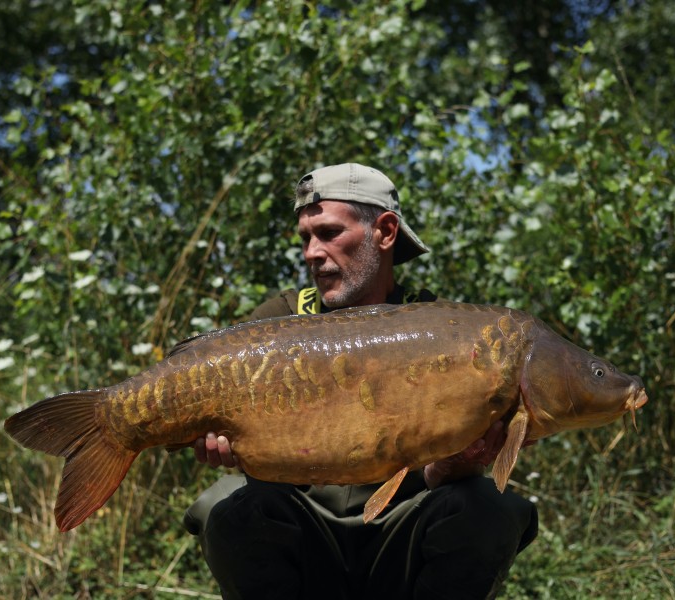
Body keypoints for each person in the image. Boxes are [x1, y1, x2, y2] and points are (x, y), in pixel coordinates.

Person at [184, 163, 538, 599]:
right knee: (227, 505)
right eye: (305, 238)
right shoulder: (278, 322)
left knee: (487, 506)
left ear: (385, 232)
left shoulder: (444, 330)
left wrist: (456, 461)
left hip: (399, 528)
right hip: (308, 528)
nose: (312, 252)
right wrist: (229, 450)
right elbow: (252, 462)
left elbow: (438, 476)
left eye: (329, 234)